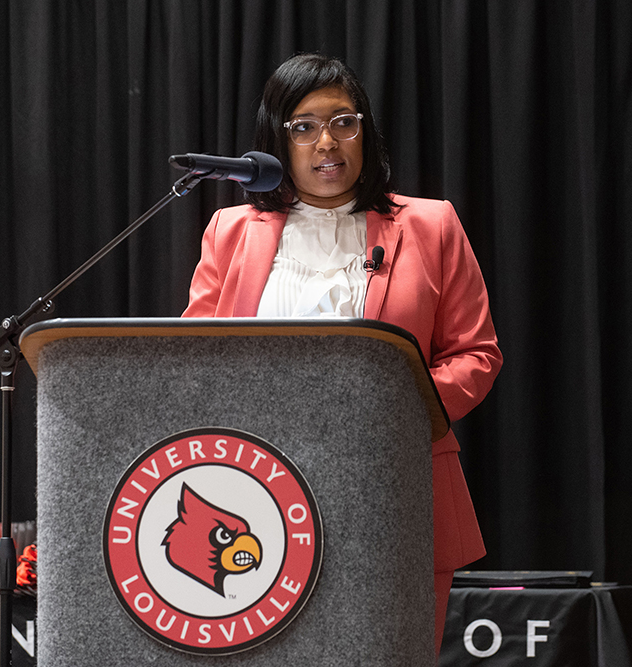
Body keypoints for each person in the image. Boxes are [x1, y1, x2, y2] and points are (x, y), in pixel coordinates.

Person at [182, 52, 502, 657]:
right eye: (302, 126)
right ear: (275, 141)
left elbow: (475, 354)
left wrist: (392, 410)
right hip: (257, 495)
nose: (326, 141)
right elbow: (194, 357)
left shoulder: (431, 226)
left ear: (366, 131)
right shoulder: (229, 230)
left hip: (398, 487)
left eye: (343, 121)